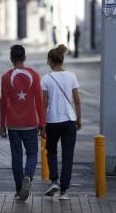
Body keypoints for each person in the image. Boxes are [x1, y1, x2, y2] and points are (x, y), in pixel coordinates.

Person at [0, 45, 46, 201]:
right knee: (32, 154)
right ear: (24, 58)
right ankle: (28, 176)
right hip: (31, 122)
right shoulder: (34, 75)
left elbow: (4, 103)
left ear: (11, 59)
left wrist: (2, 125)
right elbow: (39, 101)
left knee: (16, 156)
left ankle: (19, 189)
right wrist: (42, 122)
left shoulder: (6, 77)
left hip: (13, 123)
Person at [41, 44, 82, 200]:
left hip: (52, 121)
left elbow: (44, 103)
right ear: (62, 59)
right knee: (68, 155)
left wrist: (42, 124)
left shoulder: (46, 79)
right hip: (69, 120)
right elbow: (77, 101)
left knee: (51, 151)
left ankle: (54, 181)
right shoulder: (71, 76)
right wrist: (78, 119)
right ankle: (64, 191)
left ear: (50, 61)